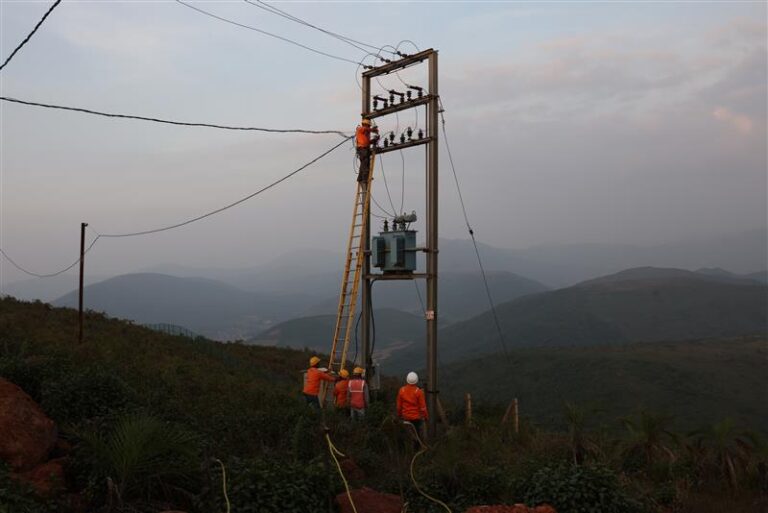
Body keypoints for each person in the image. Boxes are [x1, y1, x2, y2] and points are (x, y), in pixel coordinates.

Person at [396, 371, 428, 441]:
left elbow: (399, 406)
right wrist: (426, 417)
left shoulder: (402, 390)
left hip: (405, 418)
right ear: (416, 381)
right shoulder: (419, 392)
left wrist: (399, 416)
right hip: (416, 419)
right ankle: (417, 449)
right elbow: (423, 408)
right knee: (417, 437)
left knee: (405, 436)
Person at [355, 117, 378, 183]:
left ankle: (361, 178)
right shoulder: (360, 129)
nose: (368, 127)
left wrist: (373, 140)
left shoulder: (365, 135)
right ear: (365, 125)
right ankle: (364, 179)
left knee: (365, 164)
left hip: (365, 149)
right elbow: (365, 129)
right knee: (365, 163)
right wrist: (373, 130)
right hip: (362, 149)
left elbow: (367, 142)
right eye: (368, 125)